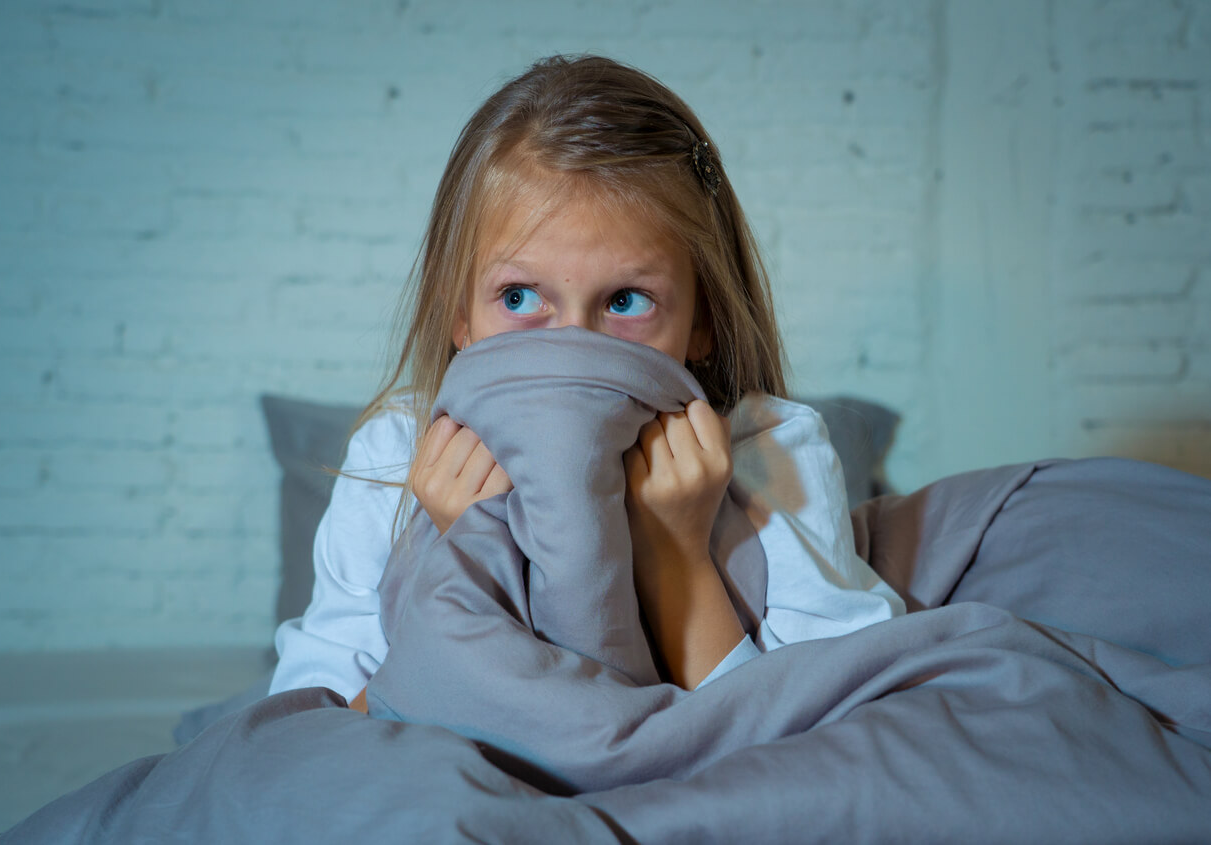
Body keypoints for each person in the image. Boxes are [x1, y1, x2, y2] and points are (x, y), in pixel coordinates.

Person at [269, 54, 904, 708]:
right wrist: (466, 561)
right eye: (519, 298)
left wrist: (678, 557)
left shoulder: (772, 452)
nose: (572, 350)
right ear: (459, 313)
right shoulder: (397, 454)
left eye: (626, 301)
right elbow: (321, 733)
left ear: (702, 321)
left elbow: (817, 742)